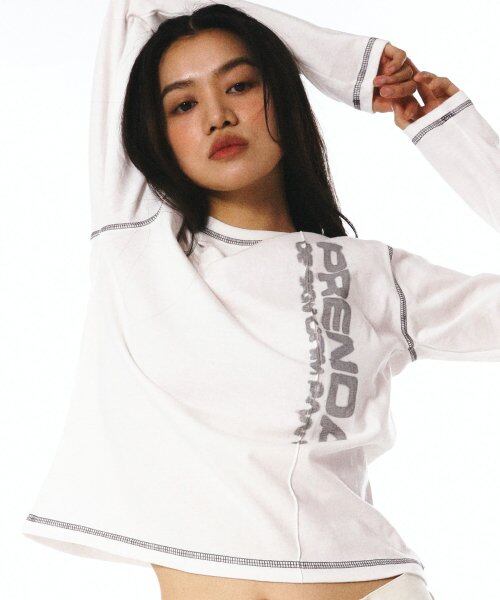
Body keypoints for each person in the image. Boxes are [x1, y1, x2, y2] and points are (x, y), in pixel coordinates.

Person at [21, 1, 499, 599]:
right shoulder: (140, 246)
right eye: (184, 104)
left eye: (241, 85)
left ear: (282, 96)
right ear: (157, 132)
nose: (217, 116)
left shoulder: (373, 276)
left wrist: (454, 134)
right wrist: (352, 66)